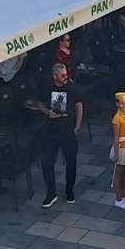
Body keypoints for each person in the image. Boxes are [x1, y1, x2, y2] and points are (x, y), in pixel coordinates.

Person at [34, 62, 83, 208]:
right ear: (55, 76)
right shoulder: (47, 86)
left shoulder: (71, 87)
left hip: (68, 130)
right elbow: (39, 103)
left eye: (66, 74)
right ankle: (51, 193)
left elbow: (79, 105)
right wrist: (48, 112)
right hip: (51, 130)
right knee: (47, 162)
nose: (65, 77)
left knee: (71, 161)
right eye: (62, 75)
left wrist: (78, 126)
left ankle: (69, 190)